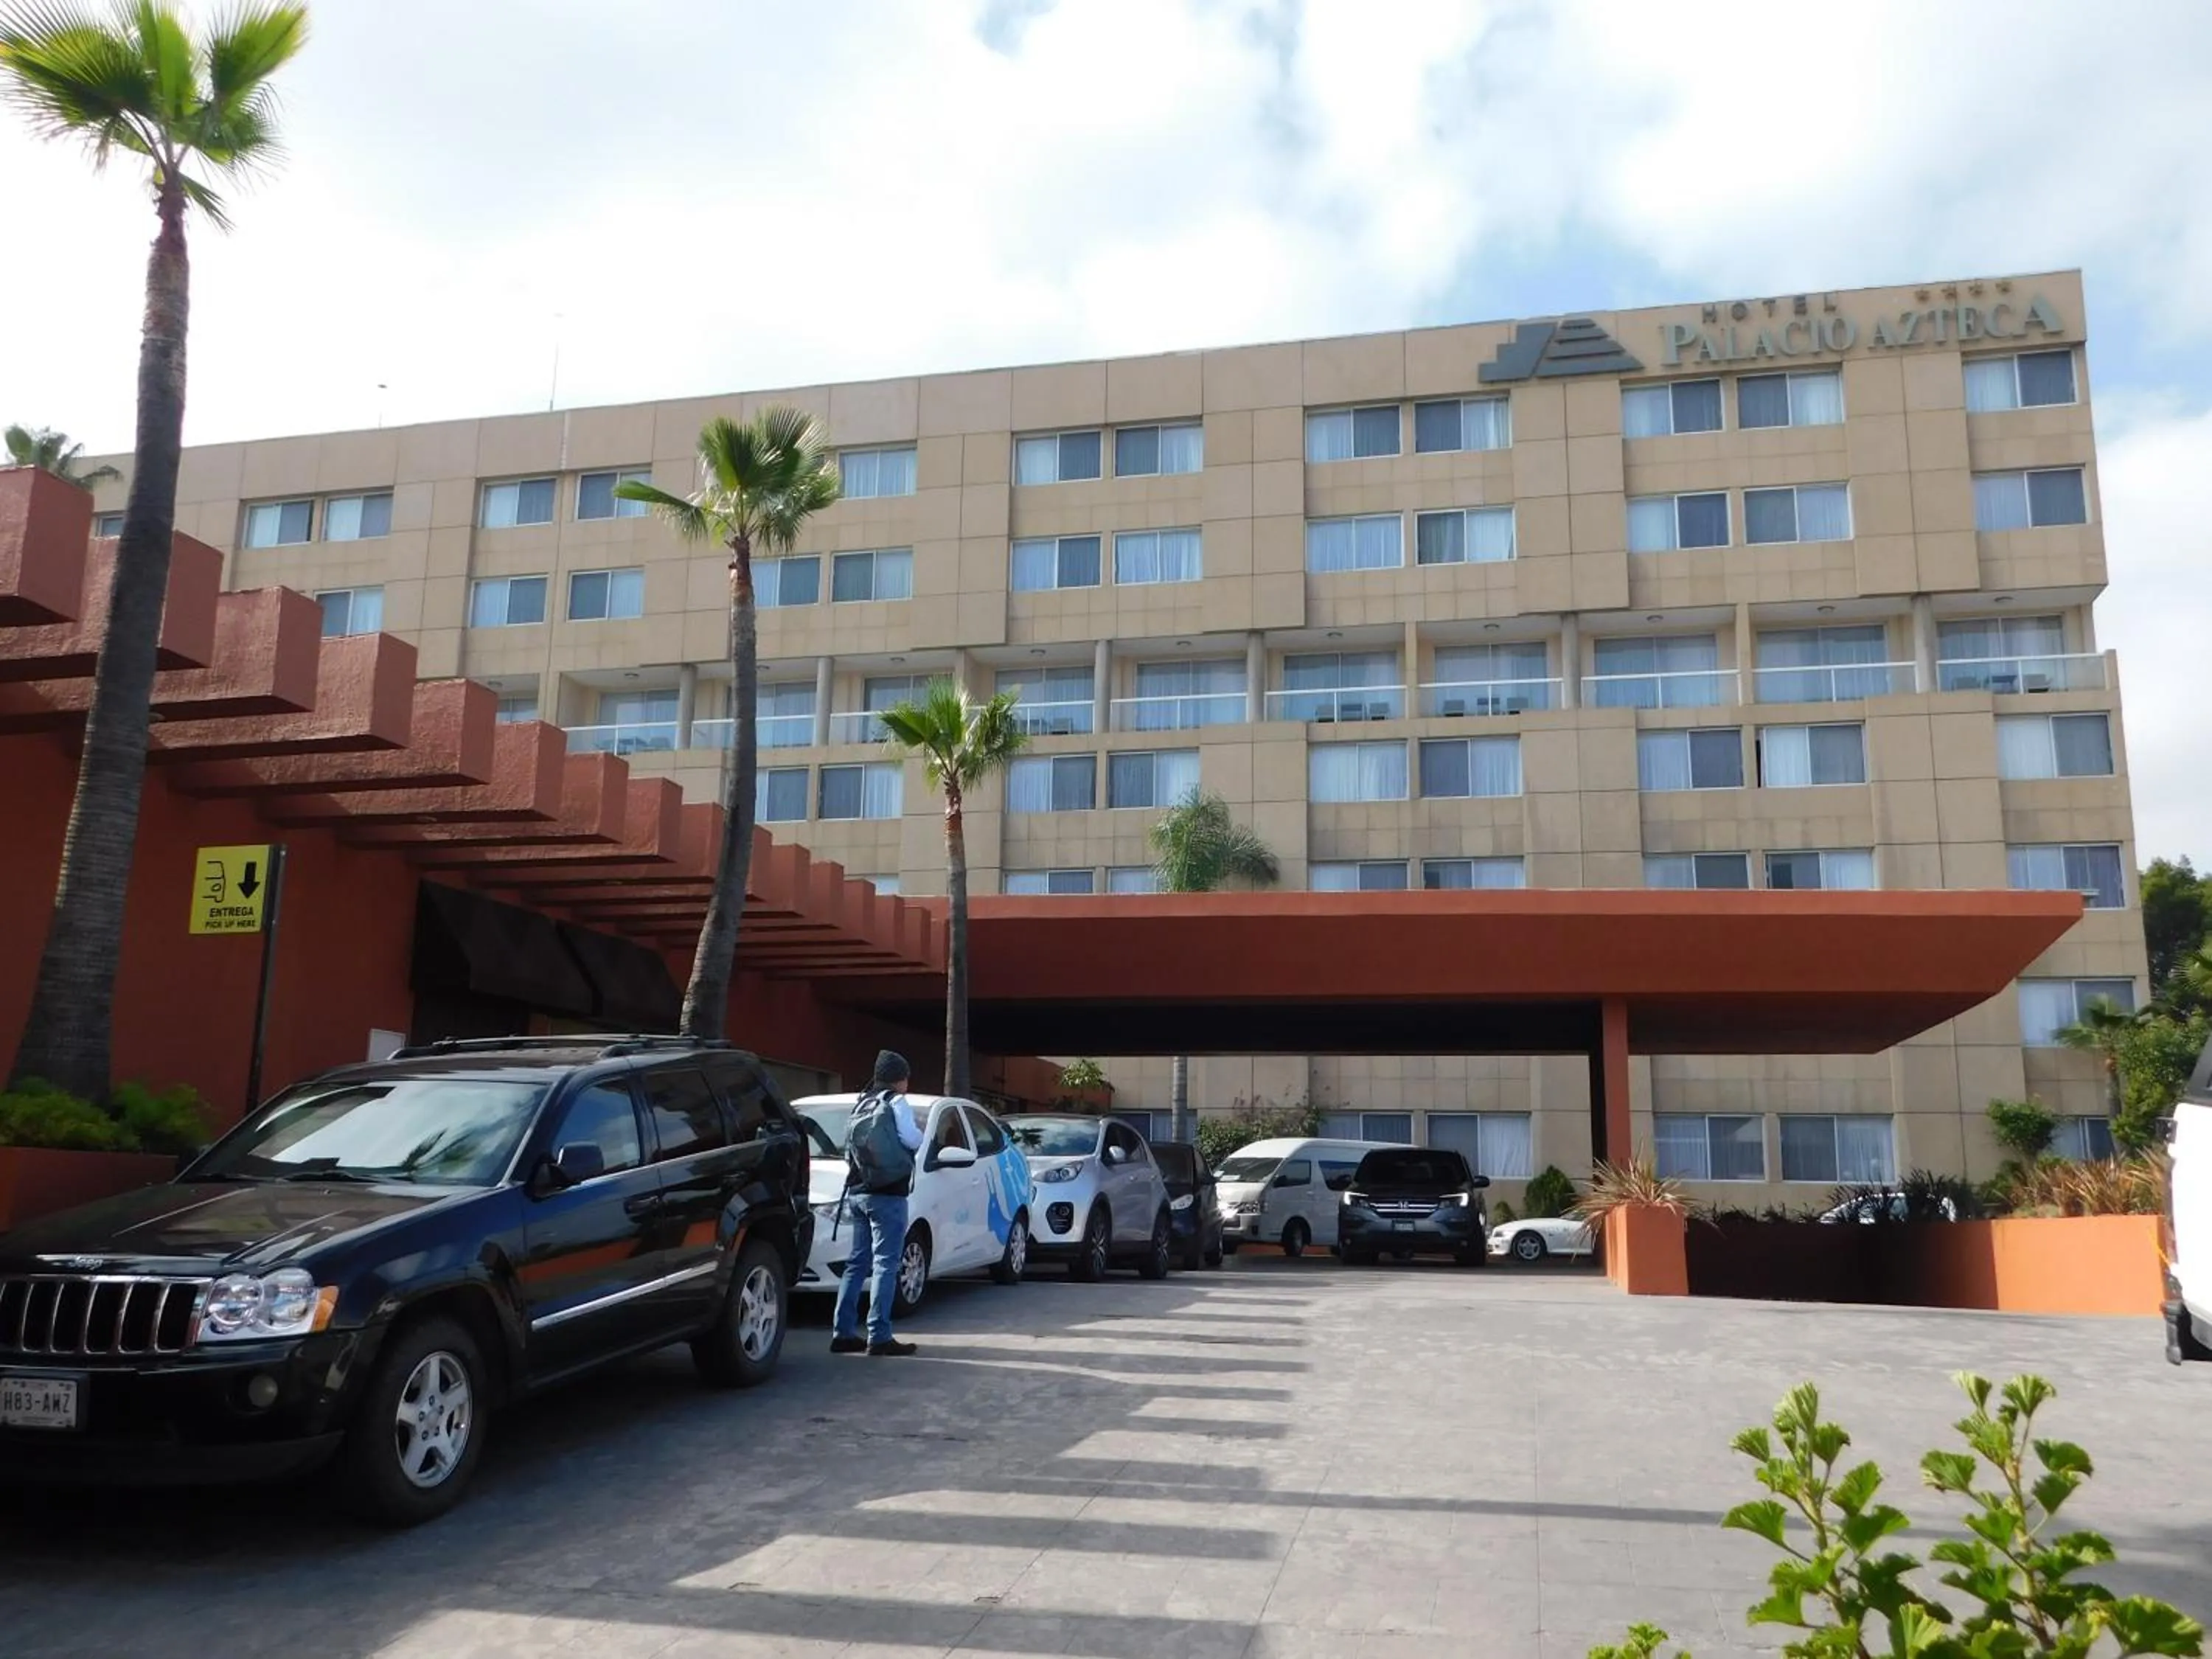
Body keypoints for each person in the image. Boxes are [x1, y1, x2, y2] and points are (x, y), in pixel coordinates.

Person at [832, 1050, 926, 1357]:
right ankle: (879, 1335)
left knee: (857, 1263)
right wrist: (921, 1133)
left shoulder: (863, 1101)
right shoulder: (896, 1103)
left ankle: (843, 1332)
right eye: (906, 1077)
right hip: (888, 1194)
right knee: (886, 1263)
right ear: (899, 1078)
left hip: (858, 1191)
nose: (907, 1083)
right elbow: (912, 1140)